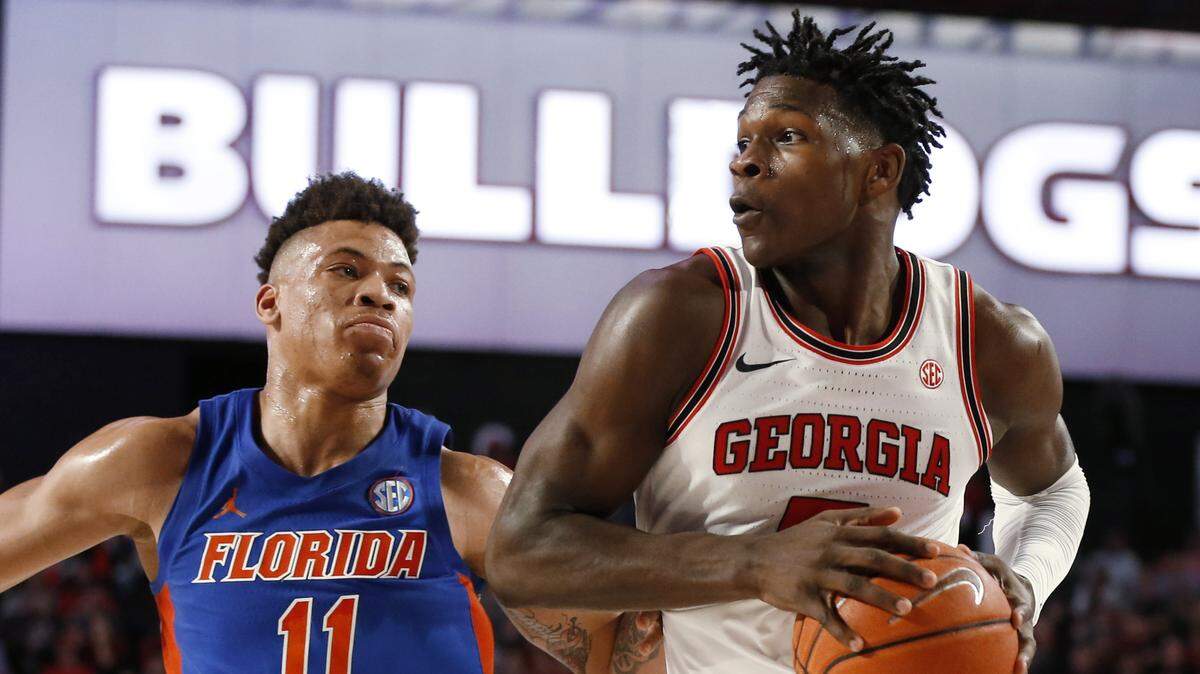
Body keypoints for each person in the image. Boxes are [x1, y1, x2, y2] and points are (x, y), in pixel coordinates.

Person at [487, 13, 1090, 674]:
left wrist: (1025, 584)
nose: (744, 160)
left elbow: (1052, 492)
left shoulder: (988, 340)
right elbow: (522, 550)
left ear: (878, 172)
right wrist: (753, 563)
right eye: (744, 140)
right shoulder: (681, 315)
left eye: (786, 137)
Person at [0, 173, 663, 674]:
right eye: (346, 270)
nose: (379, 293)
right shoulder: (161, 462)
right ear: (272, 302)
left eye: (399, 287)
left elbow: (619, 645)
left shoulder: (468, 493)